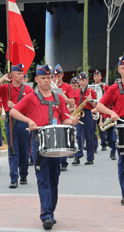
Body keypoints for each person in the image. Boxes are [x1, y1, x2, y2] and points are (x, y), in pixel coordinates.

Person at [9, 64, 78, 230]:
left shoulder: (58, 97)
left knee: (54, 178)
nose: (47, 81)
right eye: (44, 78)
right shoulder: (31, 97)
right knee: (43, 179)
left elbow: (64, 118)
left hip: (57, 142)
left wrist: (72, 121)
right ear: (37, 80)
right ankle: (46, 214)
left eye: (49, 78)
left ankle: (51, 211)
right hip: (39, 141)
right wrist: (29, 121)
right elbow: (13, 111)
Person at [97, 56, 124, 205]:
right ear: (118, 70)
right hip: (122, 125)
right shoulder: (114, 88)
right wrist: (111, 113)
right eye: (122, 68)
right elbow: (100, 106)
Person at [0, 63, 34, 188]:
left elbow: (32, 104)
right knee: (13, 149)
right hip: (10, 121)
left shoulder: (27, 90)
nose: (21, 76)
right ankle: (14, 178)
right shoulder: (5, 88)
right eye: (18, 74)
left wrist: (15, 106)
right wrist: (2, 78)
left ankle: (23, 174)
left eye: (21, 73)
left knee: (24, 150)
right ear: (12, 75)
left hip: (23, 120)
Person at [52, 64, 76, 171]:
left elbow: (72, 102)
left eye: (58, 76)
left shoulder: (68, 87)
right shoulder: (51, 86)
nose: (56, 78)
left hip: (65, 112)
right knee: (56, 136)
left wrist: (62, 97)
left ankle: (64, 162)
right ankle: (56, 159)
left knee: (64, 137)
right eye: (54, 76)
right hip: (55, 114)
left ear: (62, 75)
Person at [72, 71, 97, 165]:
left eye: (83, 80)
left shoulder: (91, 91)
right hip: (78, 113)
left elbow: (95, 106)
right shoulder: (76, 91)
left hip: (87, 113)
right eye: (80, 80)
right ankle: (77, 156)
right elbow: (75, 103)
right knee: (77, 135)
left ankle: (90, 157)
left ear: (87, 80)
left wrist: (90, 101)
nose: (81, 82)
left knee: (88, 135)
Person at [91, 70, 109, 151]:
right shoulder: (91, 87)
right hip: (94, 108)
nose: (96, 77)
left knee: (102, 127)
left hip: (101, 108)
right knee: (93, 128)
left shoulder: (104, 86)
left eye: (97, 76)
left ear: (101, 77)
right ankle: (94, 146)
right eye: (95, 76)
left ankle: (104, 143)